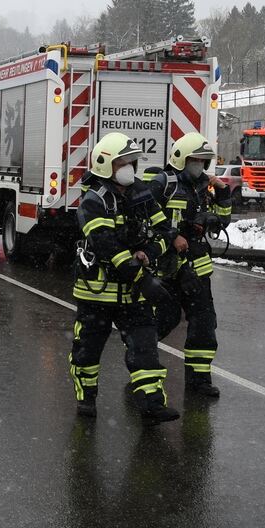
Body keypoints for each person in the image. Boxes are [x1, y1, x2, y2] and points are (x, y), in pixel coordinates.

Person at [70, 132, 179, 425]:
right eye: (124, 162)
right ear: (107, 165)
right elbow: (106, 244)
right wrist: (141, 276)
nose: (131, 167)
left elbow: (165, 232)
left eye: (132, 161)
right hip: (98, 294)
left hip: (133, 295)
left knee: (145, 347)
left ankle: (152, 404)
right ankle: (86, 397)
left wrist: (148, 252)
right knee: (87, 352)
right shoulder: (93, 201)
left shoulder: (142, 195)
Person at [145, 133, 232, 398]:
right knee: (165, 319)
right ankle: (141, 364)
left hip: (197, 269)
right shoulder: (164, 183)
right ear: (182, 158)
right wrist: (173, 235)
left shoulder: (205, 186)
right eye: (196, 159)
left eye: (204, 161)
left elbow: (224, 221)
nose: (201, 165)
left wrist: (223, 196)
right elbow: (146, 217)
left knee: (204, 324)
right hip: (169, 268)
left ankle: (199, 381)